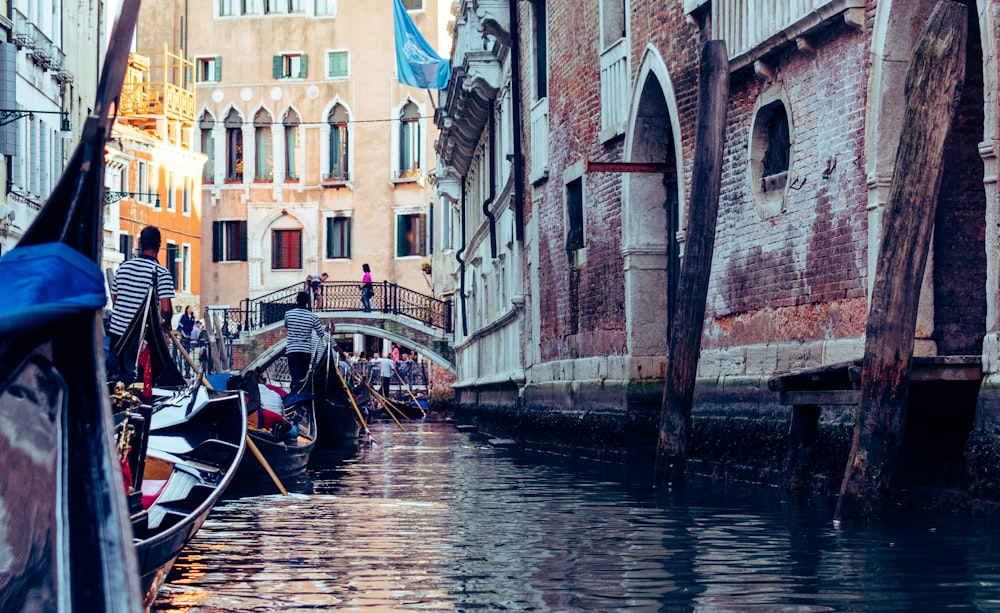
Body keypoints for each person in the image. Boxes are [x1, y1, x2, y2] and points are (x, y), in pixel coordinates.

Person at [108, 226, 175, 386]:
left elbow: (116, 302)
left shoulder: (123, 268)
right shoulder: (161, 273)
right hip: (141, 339)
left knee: (118, 382)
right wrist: (167, 323)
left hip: (118, 335)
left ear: (140, 243)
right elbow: (165, 309)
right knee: (142, 383)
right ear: (159, 245)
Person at [284, 291, 327, 392]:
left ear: (297, 300)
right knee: (303, 377)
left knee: (295, 378)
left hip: (292, 349)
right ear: (307, 302)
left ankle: (297, 396)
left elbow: (287, 326)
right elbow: (320, 333)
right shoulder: (312, 316)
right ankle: (303, 396)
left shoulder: (288, 314)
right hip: (305, 351)